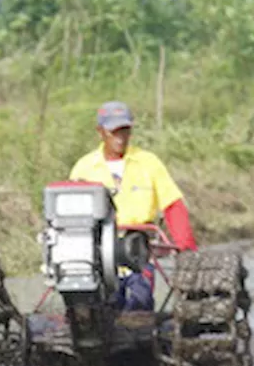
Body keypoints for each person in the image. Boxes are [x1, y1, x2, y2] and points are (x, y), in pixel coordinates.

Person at [67, 100, 197, 312]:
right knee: (96, 308)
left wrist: (186, 249)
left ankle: (143, 340)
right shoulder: (84, 168)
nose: (121, 138)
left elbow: (173, 205)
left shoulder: (148, 162)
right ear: (100, 131)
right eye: (114, 132)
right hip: (96, 252)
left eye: (125, 131)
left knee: (141, 302)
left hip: (137, 249)